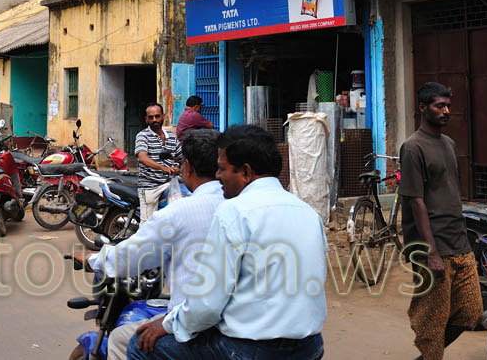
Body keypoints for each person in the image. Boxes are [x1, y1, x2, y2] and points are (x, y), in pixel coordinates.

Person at [130, 124, 327, 360]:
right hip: (310, 346)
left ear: (245, 172)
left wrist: (168, 323)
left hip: (249, 350)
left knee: (138, 345)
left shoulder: (233, 212)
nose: (218, 176)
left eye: (222, 169)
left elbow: (207, 305)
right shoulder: (308, 212)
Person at [81, 129, 224, 360]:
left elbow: (130, 256)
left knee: (120, 339)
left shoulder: (177, 213)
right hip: (235, 325)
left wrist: (93, 260)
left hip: (198, 327)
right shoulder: (239, 205)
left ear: (186, 166)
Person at [397, 82, 482, 360]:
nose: (446, 111)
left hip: (458, 240)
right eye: (439, 106)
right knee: (432, 321)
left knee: (471, 310)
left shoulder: (449, 144)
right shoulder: (412, 147)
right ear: (423, 108)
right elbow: (416, 201)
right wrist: (430, 252)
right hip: (431, 246)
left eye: (448, 105)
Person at [134, 103, 182, 221]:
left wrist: (179, 168)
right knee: (147, 225)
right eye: (151, 117)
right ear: (146, 120)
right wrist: (164, 168)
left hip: (169, 184)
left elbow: (181, 157)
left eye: (157, 116)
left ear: (163, 117)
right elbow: (142, 158)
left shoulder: (171, 136)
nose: (154, 120)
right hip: (150, 186)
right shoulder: (143, 136)